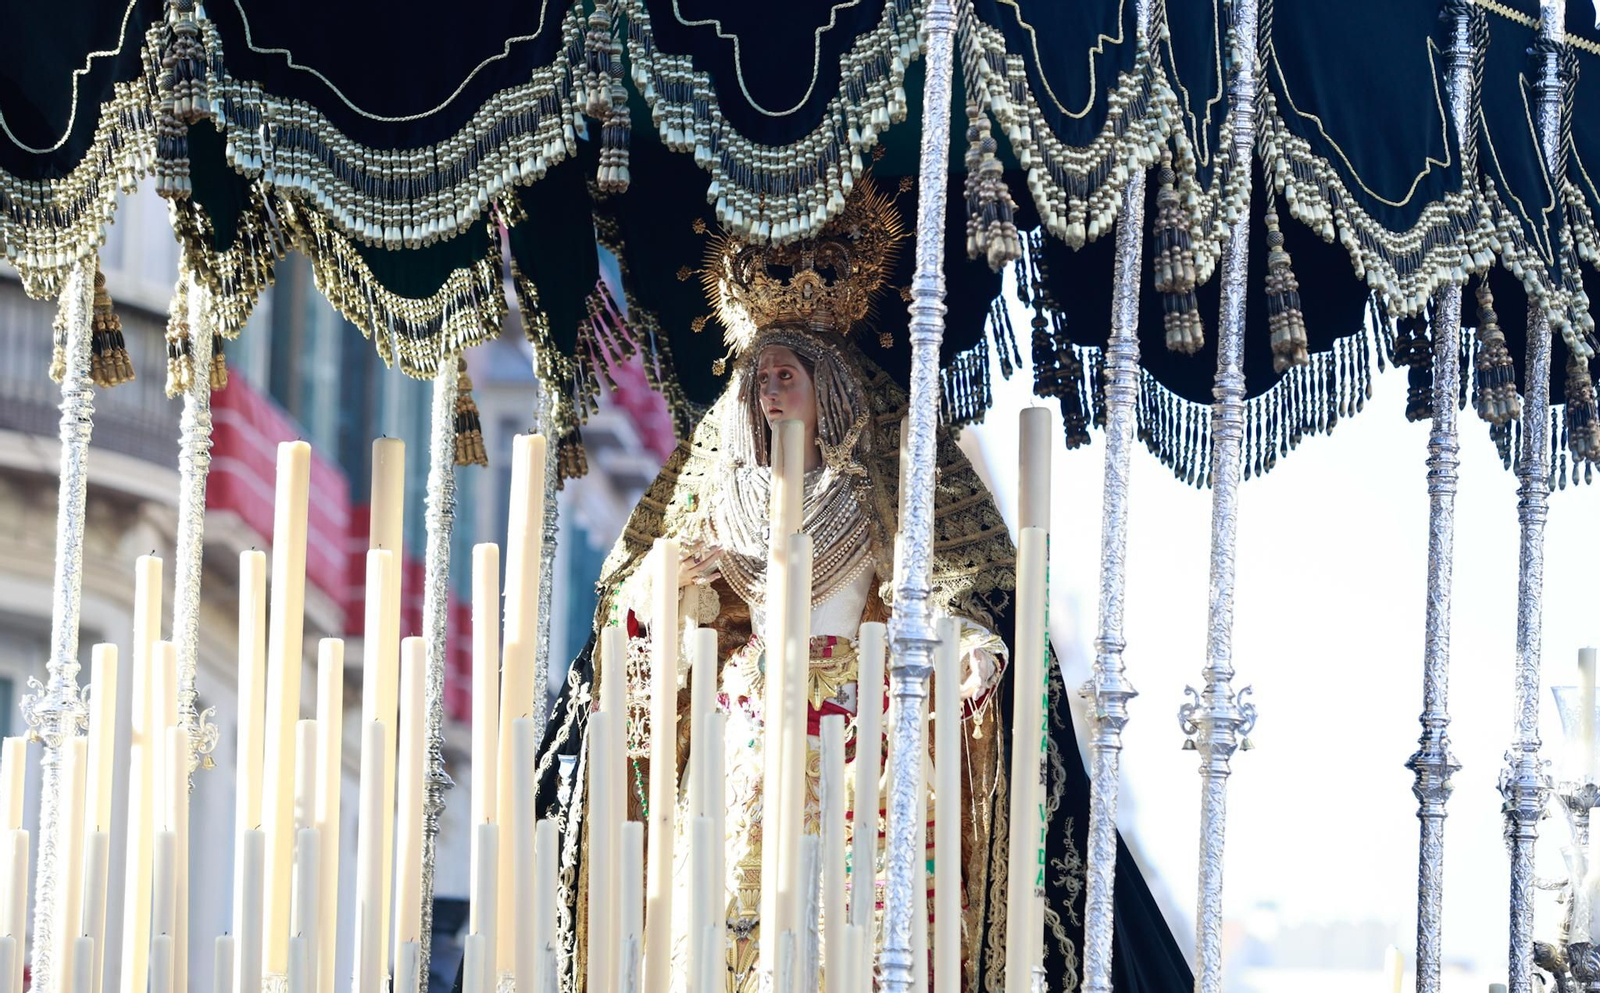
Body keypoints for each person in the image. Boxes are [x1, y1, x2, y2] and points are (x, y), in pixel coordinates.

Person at [530, 177, 1192, 993]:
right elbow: (640, 596)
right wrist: (672, 583)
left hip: (856, 726)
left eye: (786, 374)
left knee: (849, 921)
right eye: (760, 375)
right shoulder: (717, 482)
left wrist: (975, 648)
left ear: (828, 380)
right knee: (729, 911)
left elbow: (950, 582)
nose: (770, 389)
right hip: (744, 727)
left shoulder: (882, 475)